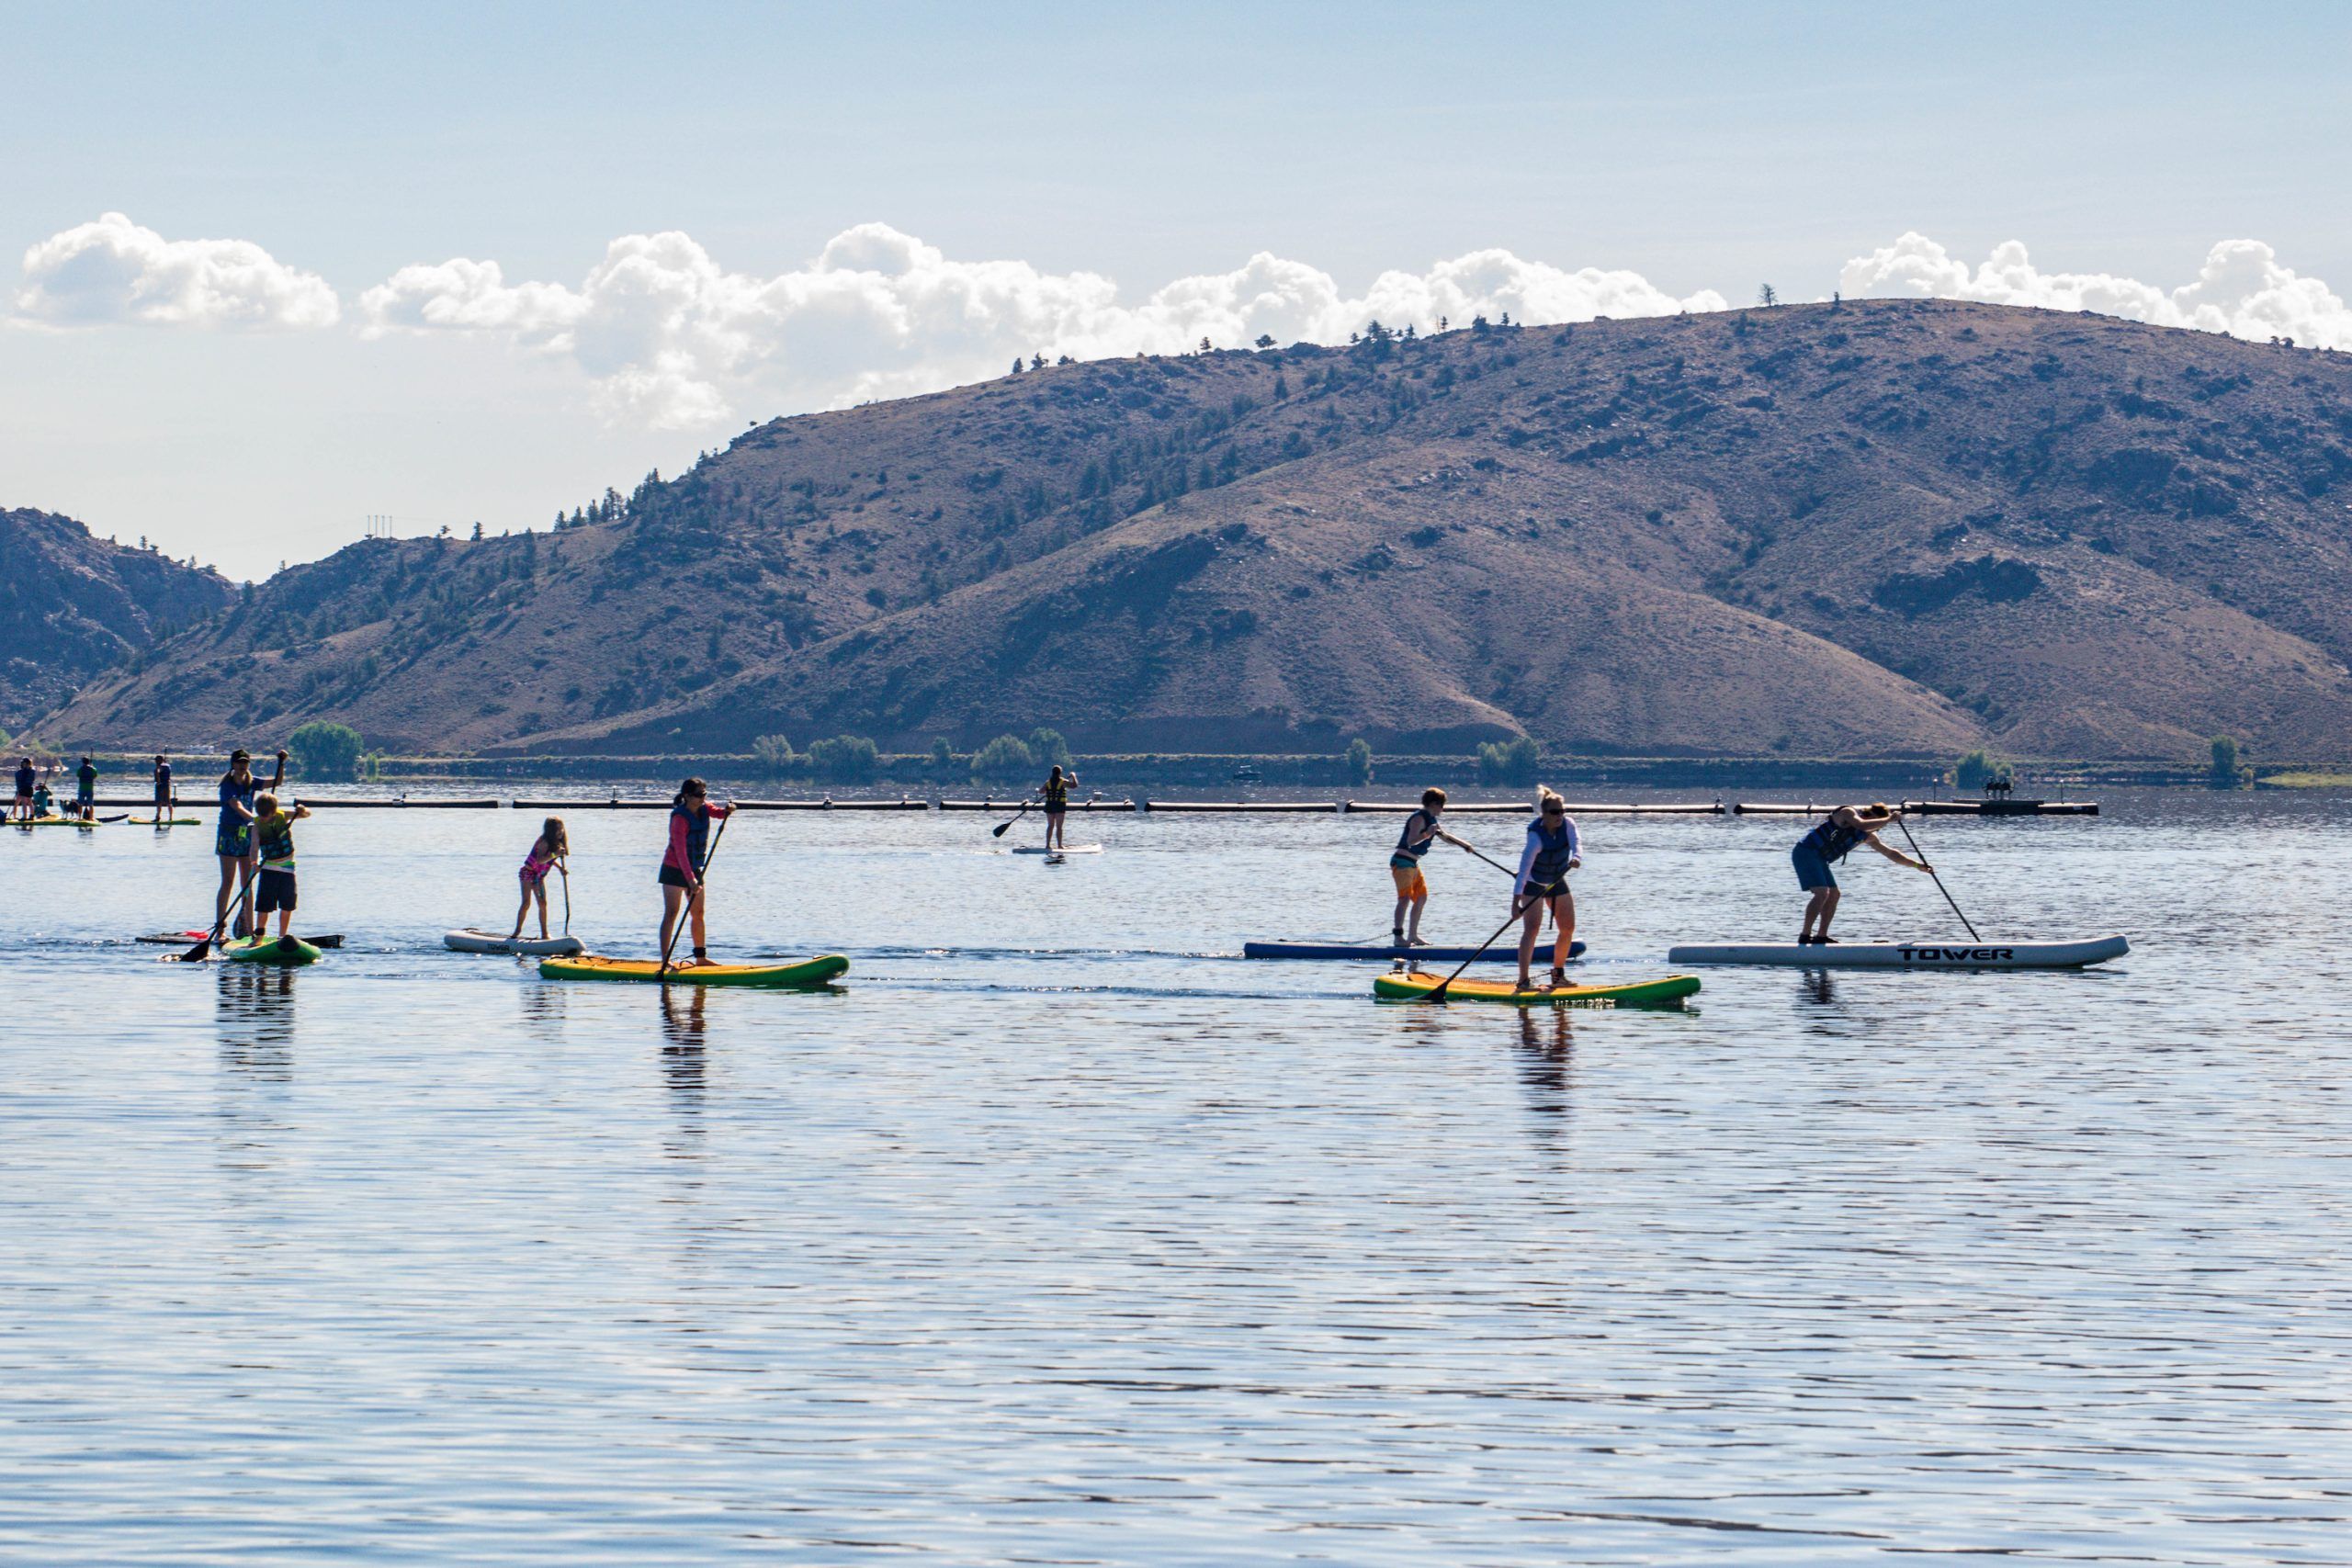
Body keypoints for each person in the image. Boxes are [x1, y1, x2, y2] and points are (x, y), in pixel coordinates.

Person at [1793, 802, 1932, 943]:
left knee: (1834, 894)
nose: (1877, 828)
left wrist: (1917, 865)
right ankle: (1805, 936)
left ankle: (1821, 936)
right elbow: (1861, 824)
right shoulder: (1847, 813)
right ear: (1871, 816)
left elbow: (1890, 853)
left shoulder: (1868, 836)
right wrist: (1889, 819)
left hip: (1820, 859)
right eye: (1878, 824)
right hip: (1805, 852)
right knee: (1822, 893)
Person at [1512, 787, 1581, 991]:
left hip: (1556, 879)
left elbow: (1577, 843)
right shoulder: (1535, 837)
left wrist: (1576, 857)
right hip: (1533, 883)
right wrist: (1515, 904)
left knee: (1567, 928)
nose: (1559, 816)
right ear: (1544, 814)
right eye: (1554, 812)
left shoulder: (1568, 825)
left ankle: (1558, 975)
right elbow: (1523, 872)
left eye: (1561, 811)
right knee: (1532, 929)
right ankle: (1523, 981)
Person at [659, 778, 732, 967]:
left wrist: (728, 810)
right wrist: (690, 879)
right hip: (673, 869)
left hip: (694, 868)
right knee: (672, 913)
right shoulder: (679, 818)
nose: (703, 798)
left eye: (704, 794)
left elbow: (718, 813)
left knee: (698, 913)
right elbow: (681, 852)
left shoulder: (704, 808)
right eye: (699, 795)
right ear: (687, 796)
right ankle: (665, 960)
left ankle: (700, 958)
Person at [215, 749, 287, 938]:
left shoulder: (253, 781)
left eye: (245, 763)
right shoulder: (227, 785)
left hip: (246, 835)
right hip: (228, 835)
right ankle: (219, 930)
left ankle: (250, 930)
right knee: (228, 882)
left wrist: (282, 763)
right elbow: (236, 806)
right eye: (239, 763)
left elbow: (277, 782)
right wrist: (257, 820)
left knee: (247, 884)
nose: (242, 766)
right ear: (233, 764)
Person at [1389, 786, 1473, 947]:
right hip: (1402, 861)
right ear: (1434, 804)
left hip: (1413, 863)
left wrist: (1464, 845)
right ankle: (1398, 937)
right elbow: (1411, 841)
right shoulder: (1419, 818)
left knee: (1421, 898)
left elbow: (1446, 838)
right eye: (1442, 805)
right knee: (1405, 899)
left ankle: (1413, 936)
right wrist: (1427, 833)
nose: (1443, 809)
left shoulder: (1432, 821)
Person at [249, 791, 312, 941]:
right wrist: (254, 862)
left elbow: (307, 814)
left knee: (287, 904)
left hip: (288, 869)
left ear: (273, 811)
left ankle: (282, 935)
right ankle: (259, 936)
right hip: (269, 869)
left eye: (266, 815)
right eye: (261, 815)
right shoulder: (257, 825)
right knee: (264, 906)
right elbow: (254, 846)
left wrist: (302, 810)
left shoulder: (282, 815)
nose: (263, 818)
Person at [510, 818, 570, 941]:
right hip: (528, 873)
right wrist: (555, 854)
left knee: (543, 904)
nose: (560, 831)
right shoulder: (544, 842)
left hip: (539, 877)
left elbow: (550, 860)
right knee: (526, 903)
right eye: (557, 829)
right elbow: (540, 860)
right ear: (550, 830)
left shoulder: (558, 845)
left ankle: (544, 933)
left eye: (561, 829)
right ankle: (517, 931)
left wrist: (560, 868)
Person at [1039, 763, 1080, 851]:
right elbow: (1075, 785)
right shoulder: (1063, 782)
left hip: (1049, 805)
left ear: (1052, 772)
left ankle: (1047, 845)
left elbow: (1041, 791)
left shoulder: (1048, 782)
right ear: (1060, 773)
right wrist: (1073, 776)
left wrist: (1049, 791)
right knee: (1059, 827)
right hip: (1059, 806)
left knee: (1050, 826)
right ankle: (1060, 845)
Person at [152, 755, 175, 820]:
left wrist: (158, 781)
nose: (155, 762)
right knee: (168, 802)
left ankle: (157, 817)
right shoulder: (168, 766)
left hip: (160, 786)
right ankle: (170, 818)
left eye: (156, 760)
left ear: (159, 760)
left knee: (159, 802)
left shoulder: (160, 767)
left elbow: (157, 772)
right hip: (167, 784)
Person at [75, 755, 97, 819]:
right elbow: (95, 776)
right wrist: (92, 767)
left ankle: (79, 818)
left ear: (82, 762)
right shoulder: (93, 769)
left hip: (82, 788)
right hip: (90, 788)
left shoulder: (80, 769)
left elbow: (78, 776)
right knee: (90, 804)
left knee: (80, 804)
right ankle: (91, 818)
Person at [12, 757, 32, 822]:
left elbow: (30, 780)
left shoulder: (30, 771)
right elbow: (18, 781)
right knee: (16, 803)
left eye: (25, 763)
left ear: (28, 763)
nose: (24, 764)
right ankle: (14, 817)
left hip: (27, 789)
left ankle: (28, 816)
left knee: (28, 802)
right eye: (23, 763)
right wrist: (18, 789)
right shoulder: (20, 772)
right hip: (21, 789)